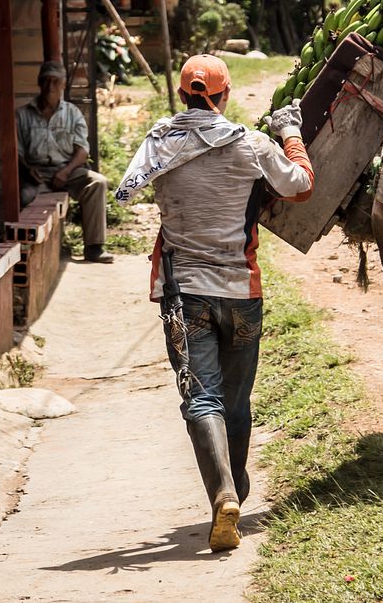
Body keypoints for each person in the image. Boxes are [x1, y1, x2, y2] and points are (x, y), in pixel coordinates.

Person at [115, 54, 313, 552]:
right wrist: (290, 133)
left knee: (201, 398)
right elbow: (300, 185)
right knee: (237, 399)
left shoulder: (161, 142)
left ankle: (223, 492)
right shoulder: (251, 143)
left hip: (184, 296)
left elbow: (124, 192)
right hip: (241, 293)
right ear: (224, 96)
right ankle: (237, 491)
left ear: (183, 95)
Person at [17, 61, 113, 264]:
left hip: (69, 170)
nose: (50, 86)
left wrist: (66, 171)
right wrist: (28, 169)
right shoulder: (22, 115)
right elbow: (16, 152)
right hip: (39, 174)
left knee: (98, 183)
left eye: (55, 81)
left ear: (63, 84)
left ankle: (94, 247)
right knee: (25, 197)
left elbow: (82, 150)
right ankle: (28, 254)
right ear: (39, 83)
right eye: (46, 81)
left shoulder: (72, 113)